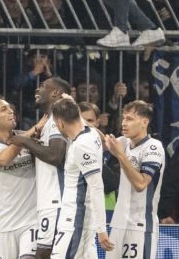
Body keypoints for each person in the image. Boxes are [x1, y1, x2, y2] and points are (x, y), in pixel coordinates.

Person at [0, 95, 45, 259]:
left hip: (33, 221)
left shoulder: (30, 138)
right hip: (5, 224)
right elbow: (2, 159)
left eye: (10, 108)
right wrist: (29, 135)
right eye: (3, 109)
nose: (11, 111)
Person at [11, 77, 71, 259]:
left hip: (57, 201)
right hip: (49, 201)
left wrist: (25, 141)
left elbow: (54, 155)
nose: (38, 89)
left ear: (55, 93)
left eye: (43, 86)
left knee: (44, 255)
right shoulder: (50, 122)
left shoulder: (57, 119)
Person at [50, 97, 114, 257]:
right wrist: (69, 100)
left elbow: (96, 186)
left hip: (75, 218)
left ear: (61, 124)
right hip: (80, 218)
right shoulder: (91, 132)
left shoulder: (82, 145)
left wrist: (101, 229)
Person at [104, 101, 165, 259]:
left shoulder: (153, 147)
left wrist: (121, 156)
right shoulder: (123, 142)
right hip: (118, 224)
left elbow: (141, 184)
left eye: (130, 119)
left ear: (145, 122)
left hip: (140, 225)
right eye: (123, 118)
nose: (124, 123)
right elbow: (101, 139)